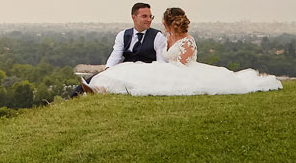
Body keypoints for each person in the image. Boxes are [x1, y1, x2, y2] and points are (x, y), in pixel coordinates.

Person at [88, 6, 281, 96]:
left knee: (145, 77)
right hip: (166, 67)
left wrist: (165, 68)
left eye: (153, 17)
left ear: (167, 23)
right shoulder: (167, 38)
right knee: (134, 71)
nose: (151, 20)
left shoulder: (185, 41)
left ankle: (106, 88)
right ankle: (100, 87)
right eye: (145, 16)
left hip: (183, 71)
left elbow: (182, 63)